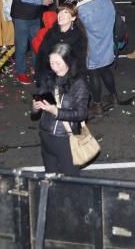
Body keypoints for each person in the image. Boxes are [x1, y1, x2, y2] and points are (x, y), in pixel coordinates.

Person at [33, 42, 90, 176]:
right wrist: (36, 107)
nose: (54, 67)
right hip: (46, 136)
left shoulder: (78, 83)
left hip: (65, 139)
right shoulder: (48, 78)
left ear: (68, 61)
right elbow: (38, 105)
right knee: (50, 177)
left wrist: (56, 112)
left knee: (71, 180)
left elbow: (82, 113)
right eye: (52, 63)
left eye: (58, 63)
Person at [74, 0, 117, 114]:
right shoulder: (107, 0)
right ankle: (114, 96)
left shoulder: (82, 9)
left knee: (94, 74)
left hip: (92, 46)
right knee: (106, 70)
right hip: (107, 42)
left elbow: (79, 31)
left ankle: (97, 105)